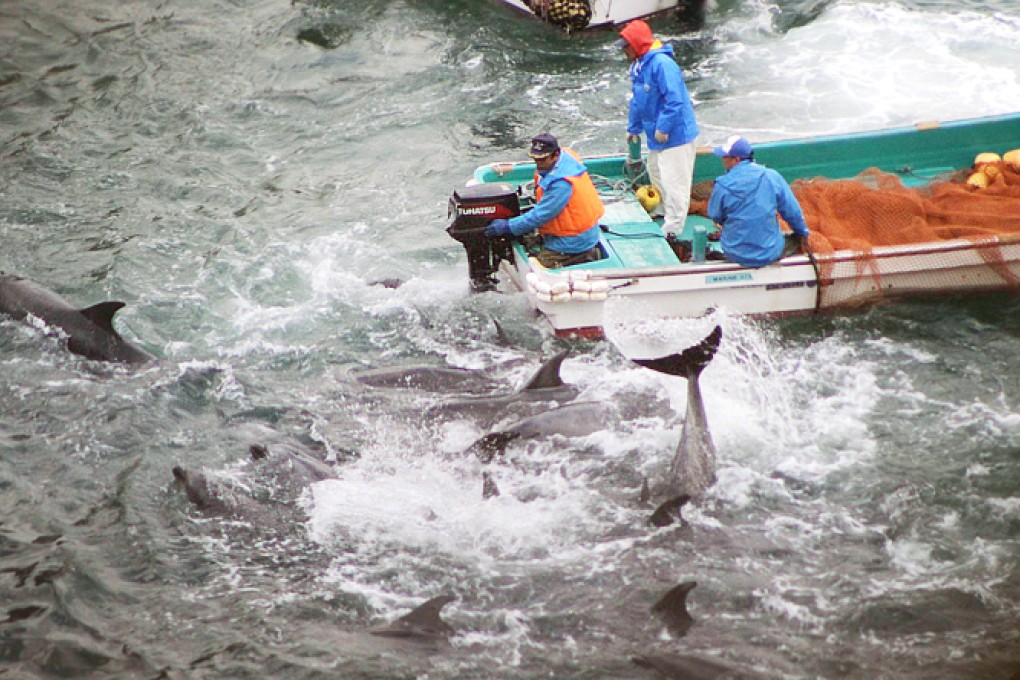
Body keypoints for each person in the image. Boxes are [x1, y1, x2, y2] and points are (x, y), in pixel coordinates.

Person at [616, 19, 699, 237]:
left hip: (676, 135)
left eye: (626, 46)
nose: (624, 51)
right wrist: (633, 128)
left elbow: (675, 99)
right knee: (656, 172)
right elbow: (637, 100)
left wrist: (664, 127)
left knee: (675, 182)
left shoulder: (662, 64)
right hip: (656, 137)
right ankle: (662, 209)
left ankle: (673, 227)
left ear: (636, 44)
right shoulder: (639, 67)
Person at [484, 133, 605, 269]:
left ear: (555, 155)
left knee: (537, 267)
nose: (538, 164)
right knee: (526, 238)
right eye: (535, 159)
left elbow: (541, 215)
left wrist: (508, 226)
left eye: (542, 159)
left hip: (574, 241)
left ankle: (584, 256)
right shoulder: (564, 157)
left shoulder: (561, 184)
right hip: (570, 232)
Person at [707, 135, 810, 268]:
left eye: (725, 157)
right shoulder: (772, 176)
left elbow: (715, 216)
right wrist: (803, 233)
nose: (723, 160)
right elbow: (793, 212)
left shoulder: (721, 185)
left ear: (736, 159)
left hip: (735, 253)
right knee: (794, 239)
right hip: (770, 253)